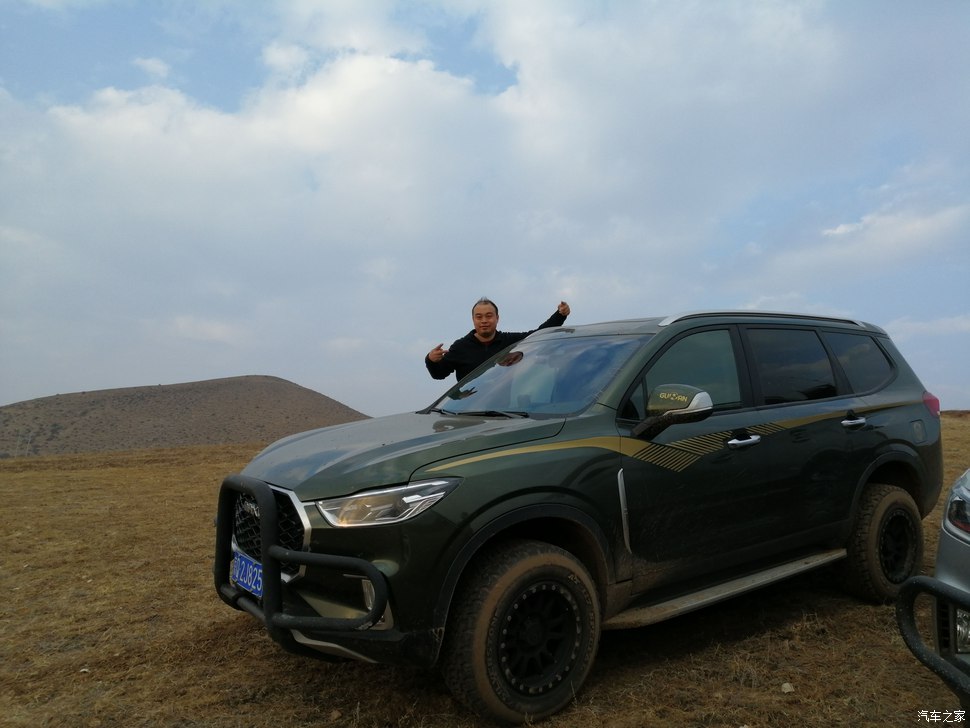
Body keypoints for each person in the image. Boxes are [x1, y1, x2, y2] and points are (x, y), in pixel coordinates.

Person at [426, 297, 571, 381]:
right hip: (468, 412)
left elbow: (539, 334)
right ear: (473, 320)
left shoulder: (509, 342)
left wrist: (560, 315)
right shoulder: (460, 347)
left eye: (489, 316)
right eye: (479, 317)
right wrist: (431, 360)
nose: (484, 320)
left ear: (497, 318)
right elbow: (439, 374)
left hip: (504, 412)